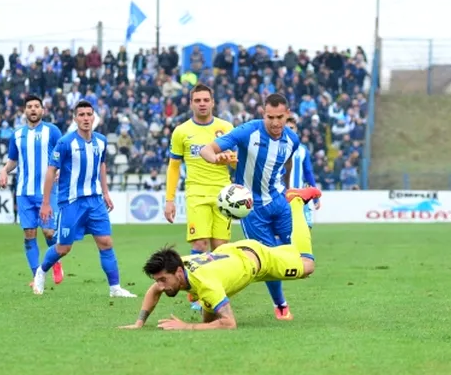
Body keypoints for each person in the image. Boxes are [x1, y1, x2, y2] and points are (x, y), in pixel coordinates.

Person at [120, 187, 321, 331]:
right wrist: (139, 322)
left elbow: (230, 324)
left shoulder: (206, 283)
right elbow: (154, 290)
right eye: (158, 280)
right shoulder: (176, 265)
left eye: (163, 280)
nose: (160, 286)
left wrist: (186, 326)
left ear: (179, 272)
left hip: (258, 260)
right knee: (208, 321)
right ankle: (286, 248)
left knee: (307, 266)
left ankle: (295, 201)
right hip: (232, 256)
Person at [199, 93, 299, 320]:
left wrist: (289, 187)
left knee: (289, 253)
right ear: (263, 113)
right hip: (252, 208)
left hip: (279, 201)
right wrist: (216, 159)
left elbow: (288, 161)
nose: (275, 122)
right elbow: (207, 149)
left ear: (288, 115)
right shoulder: (248, 131)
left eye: (279, 117)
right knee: (268, 260)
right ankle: (280, 305)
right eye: (270, 117)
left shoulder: (292, 139)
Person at [31, 100, 135, 298]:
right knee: (64, 247)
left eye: (89, 114)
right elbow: (51, 170)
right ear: (75, 118)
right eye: (82, 115)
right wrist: (46, 203)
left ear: (94, 117)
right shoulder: (65, 143)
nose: (86, 118)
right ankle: (41, 271)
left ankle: (115, 288)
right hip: (72, 203)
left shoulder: (102, 141)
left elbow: (102, 165)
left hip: (95, 201)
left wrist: (105, 192)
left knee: (105, 242)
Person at [164, 84, 235, 310]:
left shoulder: (226, 127)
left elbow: (236, 160)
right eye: (198, 100)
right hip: (196, 194)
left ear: (213, 102)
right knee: (199, 244)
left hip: (223, 194)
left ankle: (215, 293)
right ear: (191, 103)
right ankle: (195, 292)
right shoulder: (181, 131)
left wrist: (228, 159)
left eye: (206, 100)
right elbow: (173, 167)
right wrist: (169, 199)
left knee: (221, 247)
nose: (202, 104)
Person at [0, 95, 65, 285]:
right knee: (29, 234)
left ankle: (55, 262)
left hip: (47, 191)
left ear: (42, 110)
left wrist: (60, 169)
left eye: (37, 106)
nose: (33, 109)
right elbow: (13, 160)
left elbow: (63, 155)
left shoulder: (52, 131)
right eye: (29, 106)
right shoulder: (17, 134)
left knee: (49, 233)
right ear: (25, 111)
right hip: (24, 192)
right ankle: (37, 276)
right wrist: (4, 170)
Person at [286, 117, 319, 227]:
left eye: (291, 128)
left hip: (300, 197)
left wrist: (315, 198)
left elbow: (308, 173)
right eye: (286, 128)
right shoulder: (275, 148)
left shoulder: (303, 150)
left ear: (296, 130)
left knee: (306, 227)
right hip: (282, 197)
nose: (289, 130)